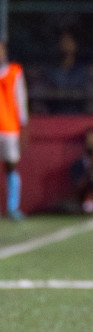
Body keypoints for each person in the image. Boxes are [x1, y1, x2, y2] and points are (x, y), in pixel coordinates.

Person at [0, 40, 27, 219]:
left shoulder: (14, 71)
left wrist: (23, 123)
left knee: (11, 166)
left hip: (8, 126)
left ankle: (12, 207)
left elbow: (20, 97)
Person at [43, 31, 90, 114]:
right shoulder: (51, 71)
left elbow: (82, 93)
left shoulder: (82, 71)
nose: (66, 44)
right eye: (63, 41)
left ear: (75, 45)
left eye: (69, 41)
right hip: (55, 114)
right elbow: (48, 93)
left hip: (77, 114)